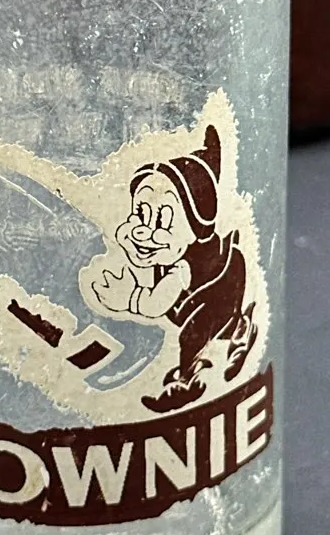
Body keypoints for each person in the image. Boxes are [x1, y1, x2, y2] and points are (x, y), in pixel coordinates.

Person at [92, 125, 258, 412]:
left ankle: (187, 383)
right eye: (140, 214)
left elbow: (155, 304)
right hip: (219, 284)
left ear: (195, 226)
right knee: (214, 326)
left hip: (217, 290)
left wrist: (128, 297)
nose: (142, 231)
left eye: (162, 221)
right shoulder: (174, 250)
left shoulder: (184, 265)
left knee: (193, 335)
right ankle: (240, 329)